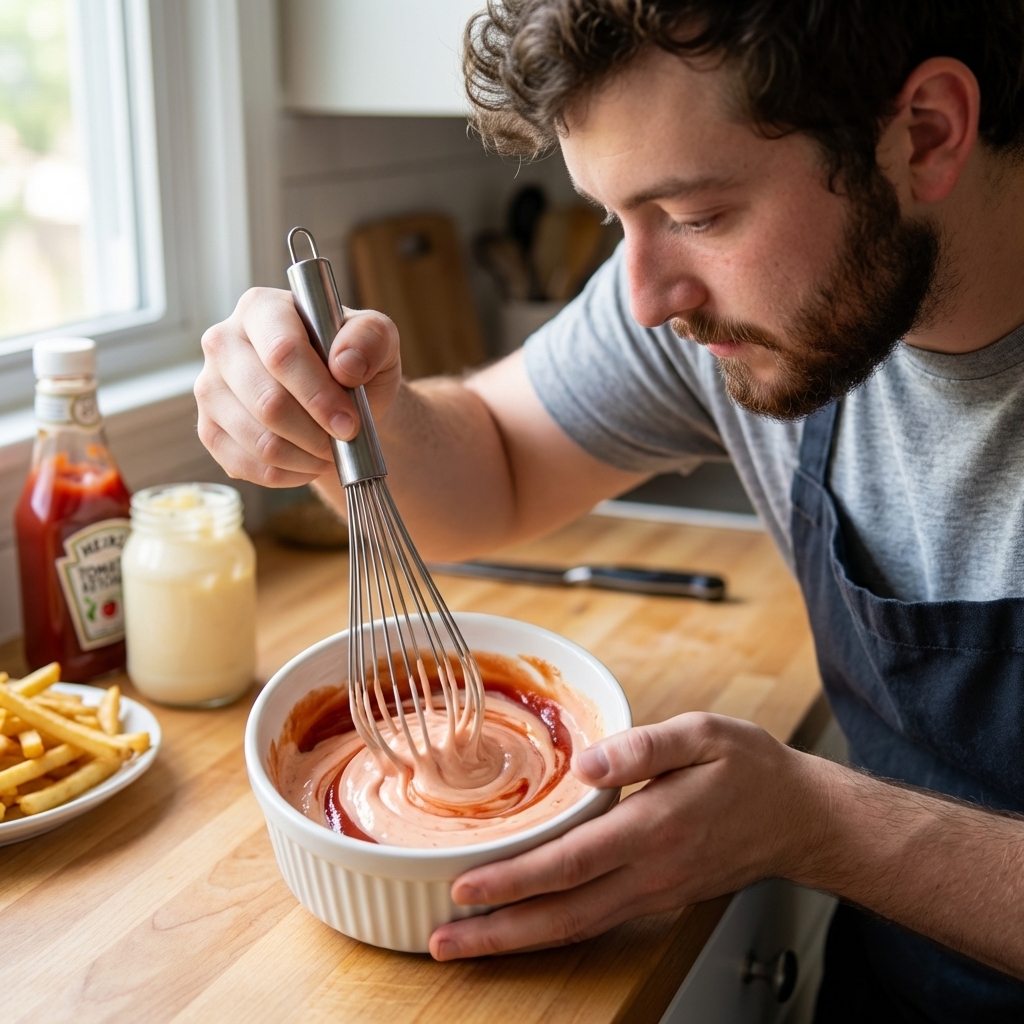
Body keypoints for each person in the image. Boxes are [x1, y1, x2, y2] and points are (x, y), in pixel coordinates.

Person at [195, 2, 1024, 1019]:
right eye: (612, 218)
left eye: (699, 215)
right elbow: (490, 464)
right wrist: (350, 412)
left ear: (927, 132)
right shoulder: (724, 311)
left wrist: (822, 824)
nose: (644, 298)